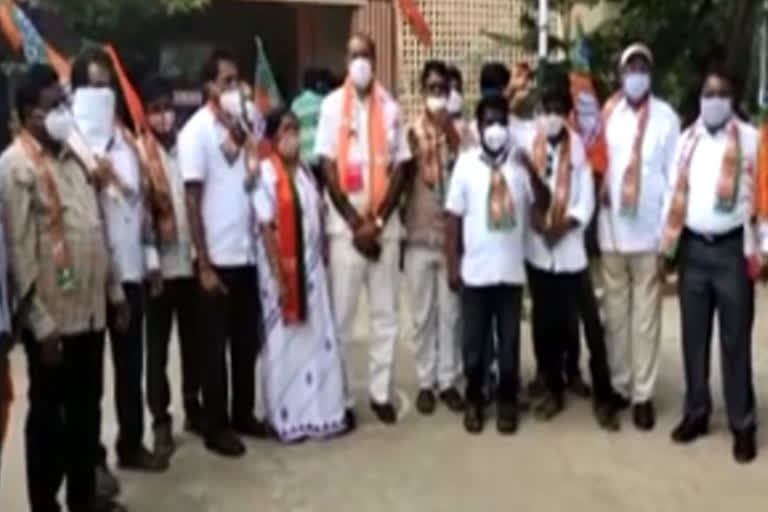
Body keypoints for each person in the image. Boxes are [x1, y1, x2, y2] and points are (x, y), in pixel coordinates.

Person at [1, 63, 126, 512]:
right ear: (24, 115)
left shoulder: (75, 158)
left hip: (90, 312)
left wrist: (114, 292)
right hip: (54, 322)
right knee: (49, 422)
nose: (59, 113)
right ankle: (45, 503)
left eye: (62, 103)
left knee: (86, 415)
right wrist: (39, 321)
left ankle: (83, 497)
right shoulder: (15, 166)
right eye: (49, 106)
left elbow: (95, 226)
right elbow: (19, 250)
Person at [70, 49, 167, 474]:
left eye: (106, 83)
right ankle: (92, 461)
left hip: (129, 271)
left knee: (132, 368)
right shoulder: (71, 146)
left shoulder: (125, 140)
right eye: (92, 83)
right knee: (87, 380)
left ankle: (132, 443)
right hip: (90, 279)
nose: (101, 91)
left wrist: (150, 259)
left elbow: (141, 206)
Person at [660, 63, 758, 464]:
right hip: (693, 251)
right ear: (700, 98)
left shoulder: (752, 141)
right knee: (693, 337)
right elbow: (672, 193)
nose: (714, 100)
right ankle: (697, 412)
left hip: (733, 251)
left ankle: (742, 423)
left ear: (732, 99)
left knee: (735, 341)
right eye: (708, 93)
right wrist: (664, 248)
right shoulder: (688, 140)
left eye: (721, 94)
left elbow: (763, 199)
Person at [314, 33, 413, 426]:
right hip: (345, 231)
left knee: (386, 315)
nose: (360, 62)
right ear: (345, 58)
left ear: (375, 59)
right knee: (342, 317)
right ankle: (341, 399)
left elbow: (402, 167)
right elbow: (326, 167)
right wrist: (356, 224)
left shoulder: (391, 108)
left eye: (366, 55)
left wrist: (377, 222)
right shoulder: (331, 106)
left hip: (384, 230)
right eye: (353, 55)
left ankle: (380, 393)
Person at [445, 94, 551, 435]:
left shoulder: (518, 165)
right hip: (475, 273)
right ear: (478, 127)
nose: (495, 129)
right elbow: (453, 218)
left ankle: (506, 402)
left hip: (510, 272)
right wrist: (452, 263)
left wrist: (531, 169)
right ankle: (474, 400)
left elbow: (543, 203)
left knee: (508, 345)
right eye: (489, 122)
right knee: (474, 346)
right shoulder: (465, 164)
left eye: (501, 122)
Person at [521, 69, 620, 431]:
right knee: (545, 325)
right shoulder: (527, 140)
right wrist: (535, 222)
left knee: (591, 324)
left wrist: (560, 227)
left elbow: (585, 201)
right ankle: (552, 387)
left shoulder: (577, 146)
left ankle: (604, 396)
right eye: (545, 108)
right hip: (538, 252)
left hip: (570, 251)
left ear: (567, 112)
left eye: (557, 108)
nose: (550, 115)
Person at [179, 48, 266, 457]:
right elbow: (192, 200)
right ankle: (215, 425)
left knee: (245, 344)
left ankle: (243, 413)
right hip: (217, 260)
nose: (236, 88)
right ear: (209, 87)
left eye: (238, 80)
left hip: (246, 254)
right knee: (213, 349)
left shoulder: (245, 127)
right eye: (227, 81)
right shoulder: (196, 132)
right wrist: (204, 262)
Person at [252, 107, 347, 442]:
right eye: (285, 130)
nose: (292, 136)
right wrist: (280, 275)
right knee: (286, 345)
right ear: (273, 137)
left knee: (315, 339)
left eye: (295, 129)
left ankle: (321, 412)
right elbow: (265, 227)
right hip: (281, 273)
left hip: (313, 273)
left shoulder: (305, 173)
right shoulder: (265, 174)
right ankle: (288, 417)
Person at [598, 43, 680, 430]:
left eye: (643, 67)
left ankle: (643, 394)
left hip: (648, 232)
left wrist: (667, 236)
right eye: (630, 67)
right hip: (612, 231)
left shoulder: (666, 118)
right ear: (620, 73)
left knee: (646, 319)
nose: (636, 74)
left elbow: (673, 180)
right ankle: (620, 384)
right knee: (615, 316)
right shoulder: (606, 114)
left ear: (651, 73)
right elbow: (597, 164)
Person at [139, 75, 203, 460]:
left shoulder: (188, 148)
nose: (163, 116)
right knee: (157, 350)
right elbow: (139, 213)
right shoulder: (140, 153)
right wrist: (150, 264)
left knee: (193, 343)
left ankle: (193, 406)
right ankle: (160, 420)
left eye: (167, 107)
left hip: (190, 262)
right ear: (146, 114)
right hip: (158, 267)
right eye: (155, 109)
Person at [403, 60, 464, 415]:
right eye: (432, 89)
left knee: (450, 314)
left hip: (449, 239)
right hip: (418, 235)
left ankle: (448, 380)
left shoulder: (462, 132)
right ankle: (426, 381)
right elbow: (401, 177)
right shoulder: (411, 132)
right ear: (422, 92)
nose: (438, 95)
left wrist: (450, 132)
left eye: (443, 89)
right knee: (423, 315)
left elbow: (469, 162)